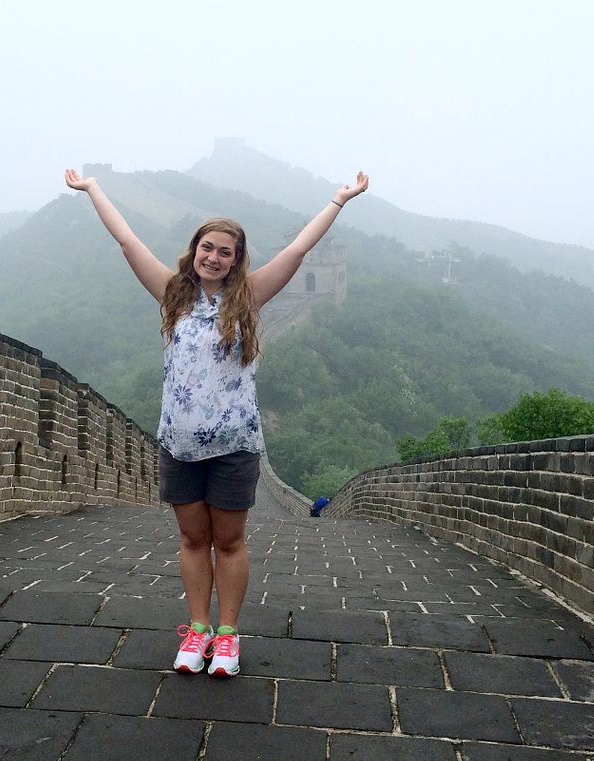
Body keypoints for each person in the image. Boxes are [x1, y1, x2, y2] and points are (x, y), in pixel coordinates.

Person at [64, 165, 369, 677]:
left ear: (236, 260)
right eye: (207, 247)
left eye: (225, 251)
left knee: (228, 540)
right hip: (178, 444)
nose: (214, 256)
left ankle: (227, 636)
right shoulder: (171, 293)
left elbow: (296, 251)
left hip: (234, 445)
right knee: (190, 540)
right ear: (195, 249)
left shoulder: (246, 297)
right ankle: (197, 628)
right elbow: (126, 240)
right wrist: (93, 189)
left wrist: (338, 201)